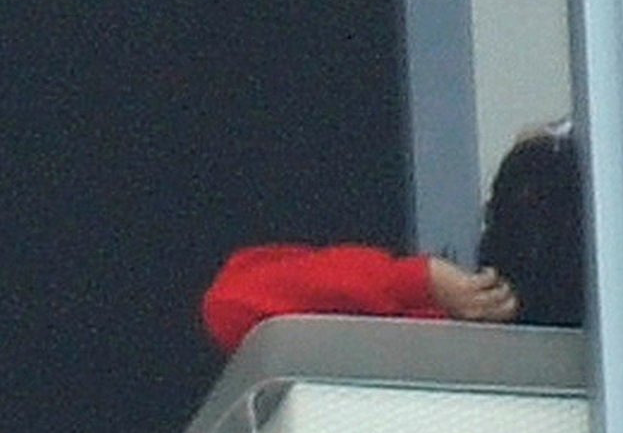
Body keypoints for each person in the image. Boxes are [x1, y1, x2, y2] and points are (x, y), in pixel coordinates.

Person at [202, 120, 585, 354]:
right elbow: (233, 304)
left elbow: (231, 302)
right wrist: (418, 284)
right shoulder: (455, 336)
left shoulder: (444, 345)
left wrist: (414, 282)